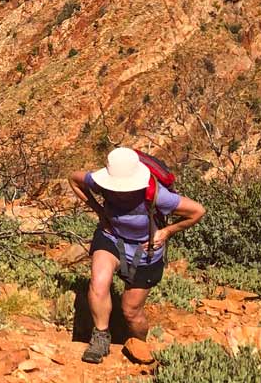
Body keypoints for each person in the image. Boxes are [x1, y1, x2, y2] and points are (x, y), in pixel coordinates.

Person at [68, 147, 205, 364]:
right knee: (99, 283)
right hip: (112, 238)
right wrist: (99, 211)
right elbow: (74, 179)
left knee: (131, 311)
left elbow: (197, 211)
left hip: (145, 250)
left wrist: (167, 232)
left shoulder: (158, 196)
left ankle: (138, 345)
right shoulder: (101, 182)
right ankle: (101, 336)